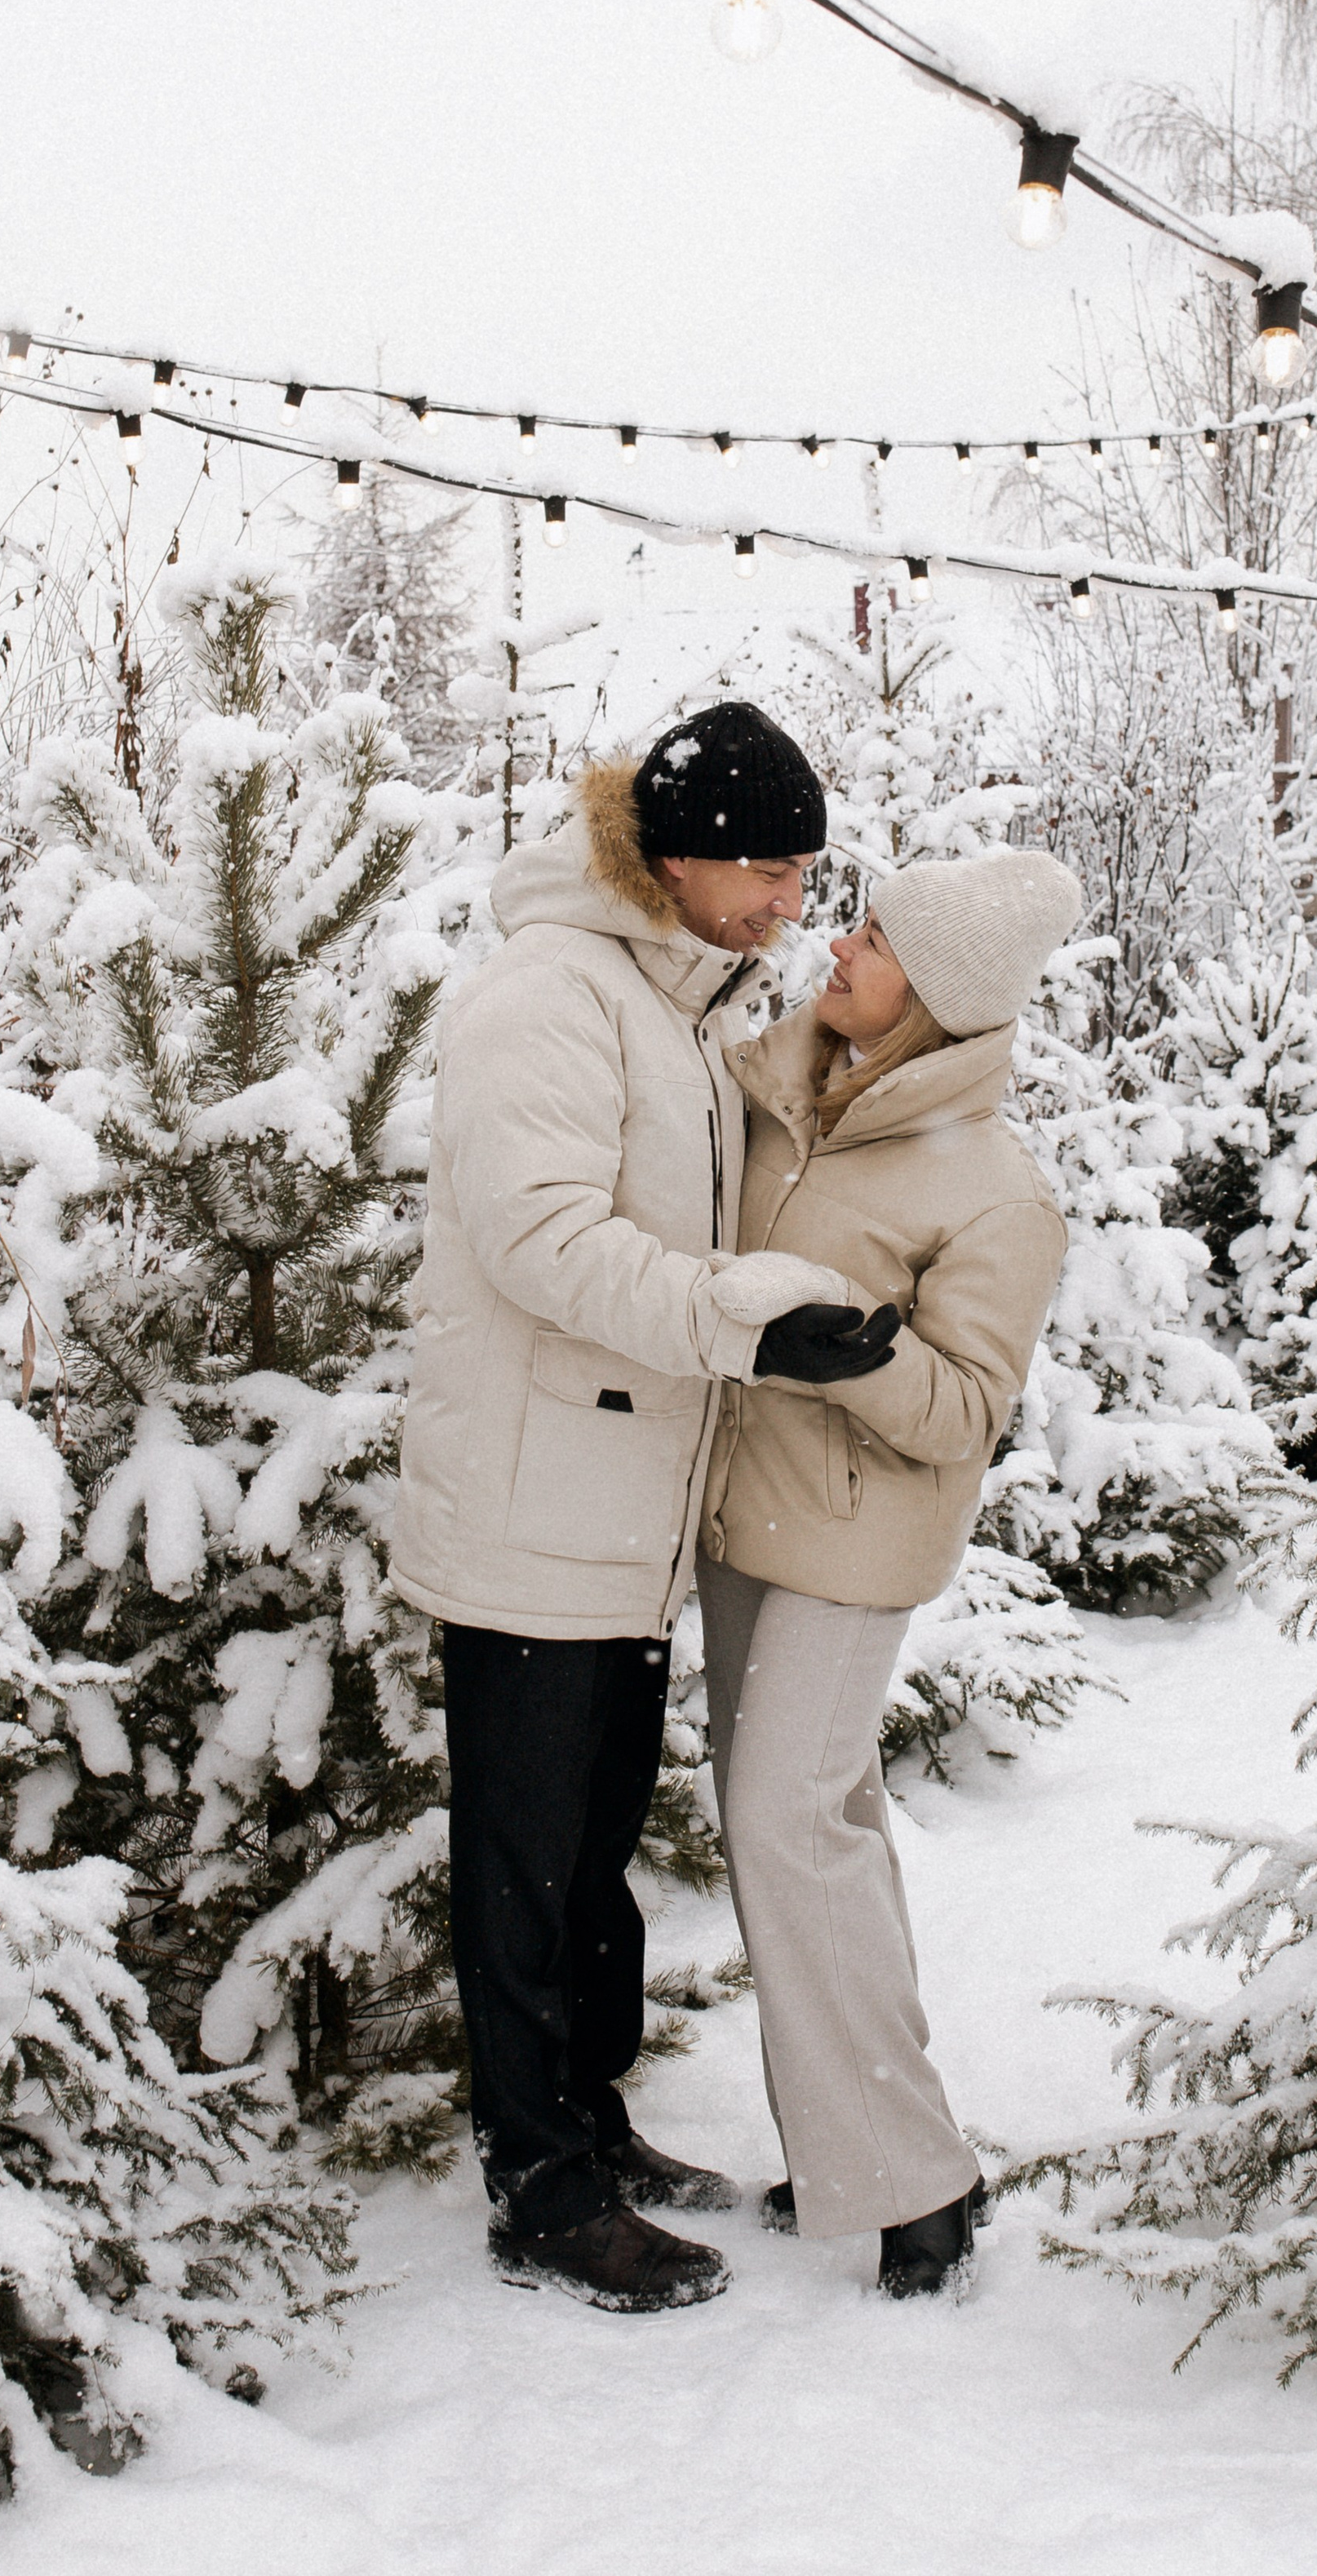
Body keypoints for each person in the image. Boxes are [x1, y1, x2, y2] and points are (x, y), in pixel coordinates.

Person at [387, 700, 899, 2314]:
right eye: (768, 872)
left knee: (594, 1852)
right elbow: (542, 1240)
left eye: (805, 875)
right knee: (527, 1863)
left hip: (618, 1514)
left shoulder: (674, 1002)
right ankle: (539, 2192)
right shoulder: (548, 994)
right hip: (531, 1507)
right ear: (673, 857)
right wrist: (746, 1323)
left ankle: (589, 2129)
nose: (790, 906)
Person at [698, 847, 1082, 2300]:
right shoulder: (779, 1093)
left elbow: (965, 1414)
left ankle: (917, 2183)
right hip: (742, 1518)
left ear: (941, 996)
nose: (839, 946)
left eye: (875, 938)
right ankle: (853, 2139)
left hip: (854, 1544)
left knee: (787, 1824)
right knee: (813, 1825)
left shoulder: (993, 1191)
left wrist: (855, 1354)